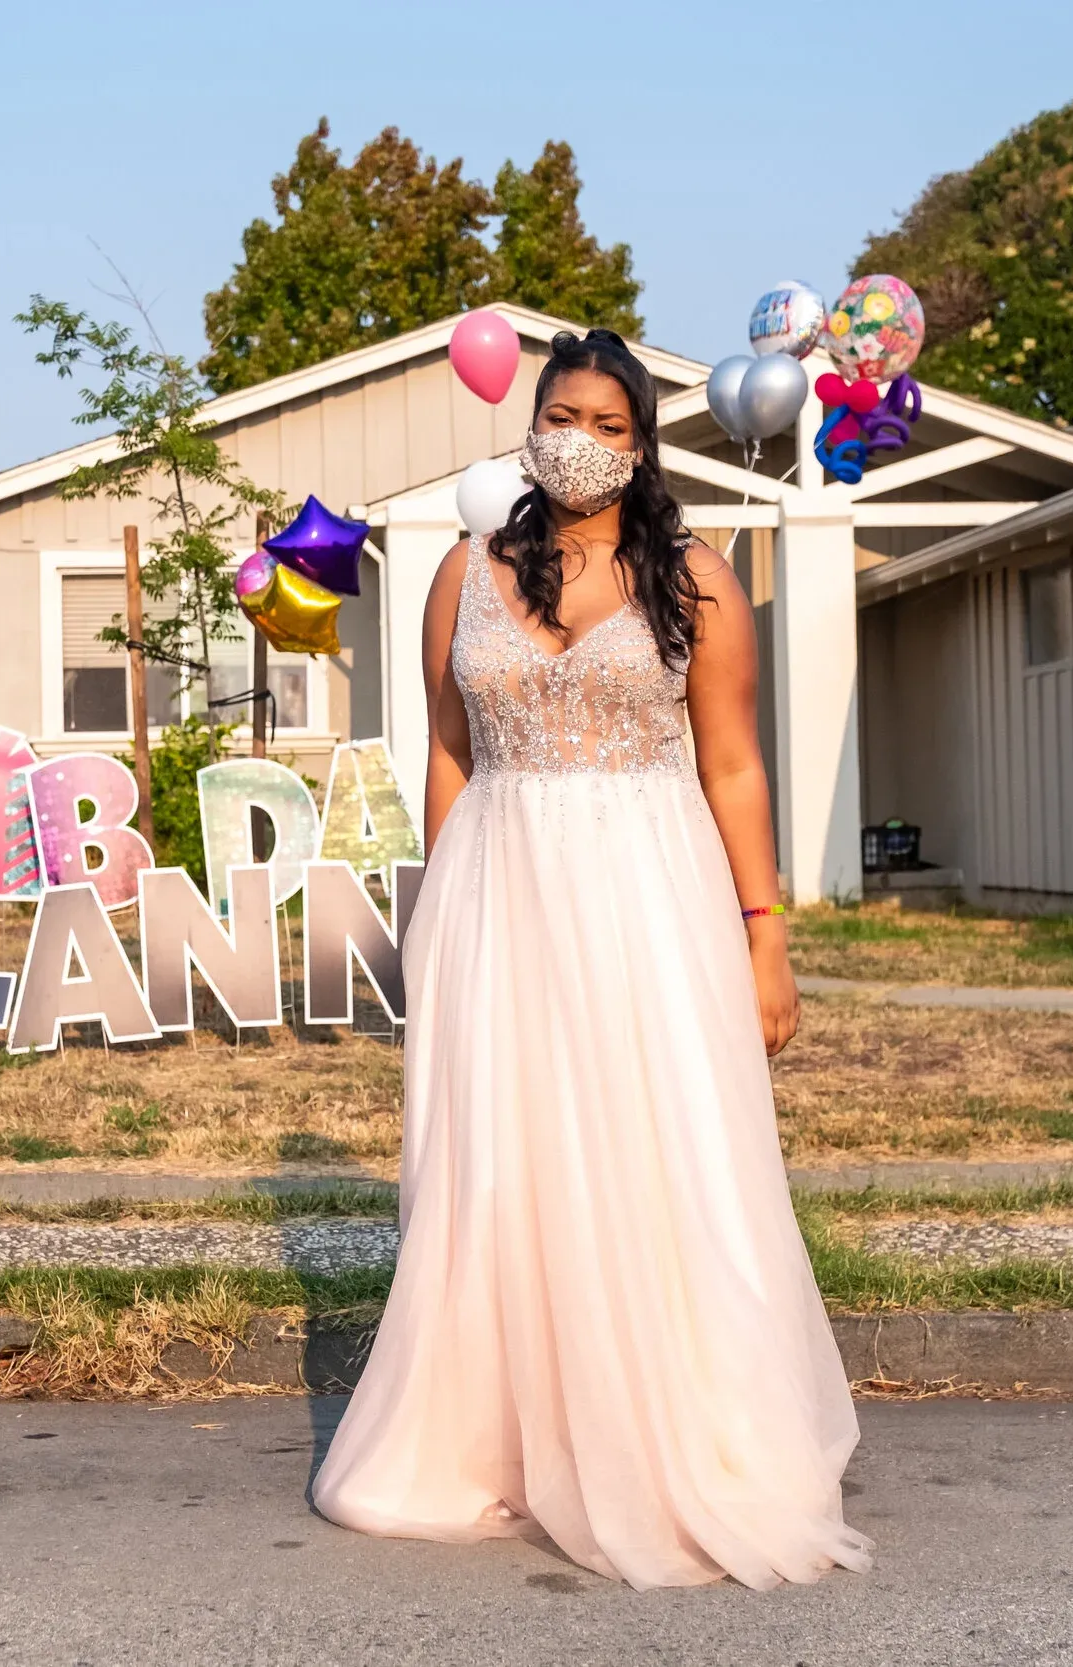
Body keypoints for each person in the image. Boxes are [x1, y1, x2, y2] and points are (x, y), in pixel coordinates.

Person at [311, 329, 871, 1590]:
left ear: (643, 444)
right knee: (502, 1158)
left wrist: (764, 933)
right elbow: (448, 751)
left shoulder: (696, 580)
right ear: (530, 421)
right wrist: (435, 905)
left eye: (612, 427)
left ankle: (671, 1432)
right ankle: (501, 1432)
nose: (583, 440)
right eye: (565, 415)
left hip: (648, 895)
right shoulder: (462, 573)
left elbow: (730, 763)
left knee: (654, 1147)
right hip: (497, 889)